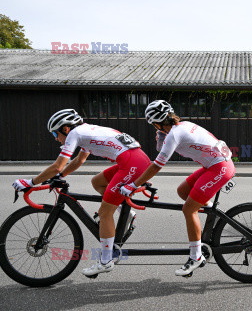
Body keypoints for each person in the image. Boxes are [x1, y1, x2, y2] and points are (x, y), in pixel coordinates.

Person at [12, 109, 151, 277]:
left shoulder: (75, 134)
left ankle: (106, 261)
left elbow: (58, 164)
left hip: (132, 164)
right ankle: (126, 213)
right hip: (135, 160)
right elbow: (79, 160)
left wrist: (30, 182)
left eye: (55, 133)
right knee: (97, 182)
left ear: (65, 129)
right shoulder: (86, 130)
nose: (56, 138)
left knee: (105, 213)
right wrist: (60, 176)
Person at [120, 100, 235, 276]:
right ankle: (211, 212)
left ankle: (196, 257)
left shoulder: (174, 134)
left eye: (153, 125)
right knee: (183, 191)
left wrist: (133, 184)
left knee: (189, 209)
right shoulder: (182, 126)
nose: (153, 128)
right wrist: (161, 137)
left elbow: (157, 165)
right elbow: (163, 149)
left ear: (157, 122)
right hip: (213, 165)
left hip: (220, 167)